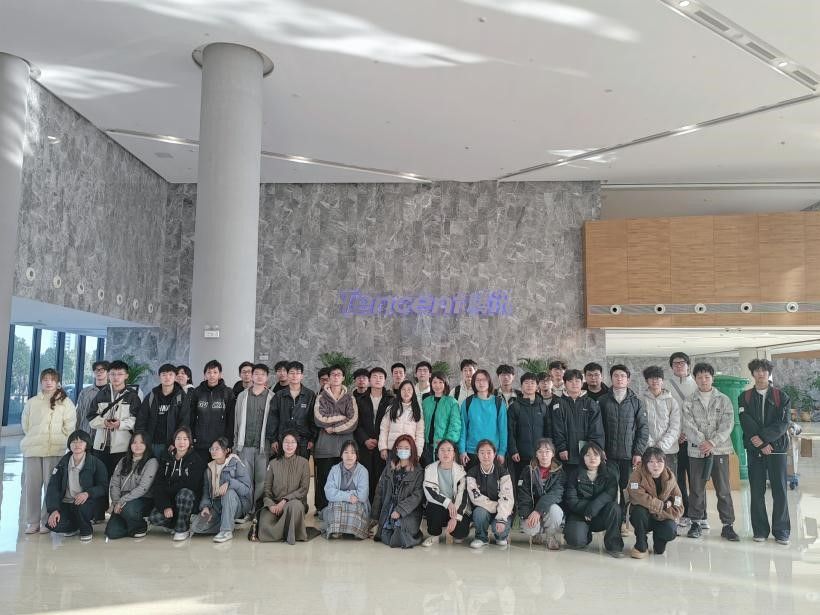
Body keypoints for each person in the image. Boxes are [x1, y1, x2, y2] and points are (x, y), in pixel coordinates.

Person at [681, 363, 738, 541]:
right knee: (696, 488)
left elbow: (728, 424)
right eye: (699, 377)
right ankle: (696, 523)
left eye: (707, 377)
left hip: (719, 450)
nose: (703, 380)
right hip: (697, 451)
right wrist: (702, 442)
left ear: (712, 378)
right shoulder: (689, 400)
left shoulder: (723, 399)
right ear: (695, 379)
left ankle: (728, 525)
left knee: (723, 489)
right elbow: (687, 424)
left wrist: (712, 442)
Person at [739, 358, 791, 545]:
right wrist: (761, 444)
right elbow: (745, 421)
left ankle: (782, 531)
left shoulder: (781, 396)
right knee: (756, 491)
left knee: (780, 490)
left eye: (764, 370)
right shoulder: (744, 397)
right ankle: (760, 530)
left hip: (777, 448)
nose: (760, 374)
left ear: (769, 373)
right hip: (755, 449)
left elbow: (783, 423)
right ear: (752, 373)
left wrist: (765, 440)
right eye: (757, 371)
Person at [21, 369, 76, 534]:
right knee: (32, 487)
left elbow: (70, 427)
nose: (48, 382)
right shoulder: (32, 402)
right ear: (41, 382)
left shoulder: (66, 403)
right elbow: (26, 425)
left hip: (54, 449)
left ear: (57, 382)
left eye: (52, 379)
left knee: (51, 487)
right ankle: (32, 522)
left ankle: (46, 521)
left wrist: (61, 440)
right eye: (45, 379)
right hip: (33, 449)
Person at [87, 359, 140, 520]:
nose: (116, 377)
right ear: (108, 375)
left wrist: (120, 424)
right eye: (113, 374)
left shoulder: (132, 396)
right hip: (101, 446)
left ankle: (120, 513)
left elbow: (137, 419)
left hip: (122, 447)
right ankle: (98, 514)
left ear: (126, 376)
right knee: (100, 480)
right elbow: (91, 418)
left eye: (119, 374)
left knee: (121, 481)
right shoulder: (100, 394)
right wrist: (103, 422)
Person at [597, 364, 648, 522]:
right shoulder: (602, 400)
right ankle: (612, 519)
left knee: (627, 489)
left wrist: (638, 452)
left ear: (628, 380)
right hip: (608, 455)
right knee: (610, 489)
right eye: (616, 376)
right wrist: (600, 449)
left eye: (623, 376)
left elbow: (643, 428)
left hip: (629, 456)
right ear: (611, 378)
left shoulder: (636, 402)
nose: (619, 379)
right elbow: (597, 428)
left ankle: (624, 519)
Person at [45, 430, 108, 541]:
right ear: (69, 445)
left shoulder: (96, 463)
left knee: (81, 508)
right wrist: (53, 510)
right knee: (54, 525)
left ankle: (86, 529)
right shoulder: (62, 463)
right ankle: (73, 527)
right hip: (66, 502)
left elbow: (103, 487)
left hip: (87, 502)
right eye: (74, 442)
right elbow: (53, 488)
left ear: (87, 444)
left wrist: (88, 494)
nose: (77, 445)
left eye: (81, 442)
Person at [563, 442, 624, 558]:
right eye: (588, 455)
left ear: (601, 457)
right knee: (575, 540)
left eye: (596, 455)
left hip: (601, 515)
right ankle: (585, 535)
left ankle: (614, 546)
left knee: (614, 508)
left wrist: (592, 508)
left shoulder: (609, 475)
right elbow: (571, 500)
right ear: (582, 458)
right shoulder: (574, 474)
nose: (592, 458)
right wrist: (587, 510)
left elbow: (610, 495)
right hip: (580, 514)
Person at [313, 366, 359, 514]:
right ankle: (322, 509)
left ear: (343, 378)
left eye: (339, 374)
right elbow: (319, 418)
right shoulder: (321, 397)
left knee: (344, 480)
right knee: (324, 478)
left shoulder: (350, 398)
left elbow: (353, 421)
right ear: (329, 377)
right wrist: (341, 417)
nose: (336, 376)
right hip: (325, 446)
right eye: (333, 374)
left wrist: (333, 428)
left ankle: (341, 510)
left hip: (345, 447)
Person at [148, 427, 206, 541]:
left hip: (187, 501)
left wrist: (169, 488)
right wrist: (166, 506)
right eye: (178, 438)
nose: (181, 442)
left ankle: (182, 529)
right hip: (170, 500)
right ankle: (175, 523)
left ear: (190, 441)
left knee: (184, 493)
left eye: (185, 439)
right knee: (154, 518)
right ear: (174, 441)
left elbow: (191, 485)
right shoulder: (166, 458)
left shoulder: (196, 459)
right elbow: (158, 485)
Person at [191, 437, 253, 543]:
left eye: (217, 449)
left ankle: (226, 531)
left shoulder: (236, 464)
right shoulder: (209, 469)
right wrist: (205, 507)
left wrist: (230, 483)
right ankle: (227, 522)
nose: (213, 451)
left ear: (226, 450)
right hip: (217, 505)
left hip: (236, 505)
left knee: (228, 493)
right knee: (196, 527)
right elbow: (206, 492)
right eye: (212, 449)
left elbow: (246, 489)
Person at [626, 446, 683, 558]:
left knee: (669, 533)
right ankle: (641, 544)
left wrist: (660, 510)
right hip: (645, 518)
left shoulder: (670, 478)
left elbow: (678, 504)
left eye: (659, 461)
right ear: (645, 463)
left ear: (664, 462)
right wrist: (663, 505)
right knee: (638, 511)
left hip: (662, 517)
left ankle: (659, 540)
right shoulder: (637, 474)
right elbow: (636, 494)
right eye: (651, 462)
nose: (655, 465)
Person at [257, 432, 311, 544]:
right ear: (281, 444)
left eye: (292, 442)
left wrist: (285, 500)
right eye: (286, 442)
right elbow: (267, 489)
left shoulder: (304, 463)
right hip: (275, 504)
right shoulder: (273, 463)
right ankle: (285, 531)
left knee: (294, 507)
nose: (289, 445)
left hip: (294, 503)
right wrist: (271, 505)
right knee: (264, 521)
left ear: (297, 445)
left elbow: (304, 489)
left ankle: (289, 534)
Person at [371, 435, 425, 548]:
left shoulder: (418, 471)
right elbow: (379, 491)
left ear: (412, 450)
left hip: (409, 511)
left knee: (401, 533)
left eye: (406, 448)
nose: (403, 450)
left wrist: (400, 510)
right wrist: (374, 517)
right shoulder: (389, 468)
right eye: (400, 448)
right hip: (389, 507)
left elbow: (417, 496)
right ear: (396, 450)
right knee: (386, 534)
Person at [105, 431, 158, 539]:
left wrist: (121, 501)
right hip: (121, 500)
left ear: (147, 445)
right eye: (134, 442)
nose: (137, 445)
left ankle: (141, 526)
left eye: (142, 443)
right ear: (130, 445)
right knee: (112, 533)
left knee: (128, 509)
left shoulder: (152, 462)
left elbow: (143, 488)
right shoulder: (123, 460)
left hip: (142, 499)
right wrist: (115, 502)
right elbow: (114, 483)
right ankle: (131, 526)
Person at [234, 363, 274, 504]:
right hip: (244, 445)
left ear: (267, 377)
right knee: (246, 479)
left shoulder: (272, 397)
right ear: (252, 376)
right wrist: (235, 445)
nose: (259, 376)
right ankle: (246, 508)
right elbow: (236, 422)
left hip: (263, 446)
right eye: (256, 373)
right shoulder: (242, 396)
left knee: (262, 480)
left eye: (263, 374)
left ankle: (256, 509)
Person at [518, 438, 565, 550]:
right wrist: (527, 515)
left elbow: (555, 494)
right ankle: (536, 533)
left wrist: (538, 511)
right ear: (536, 454)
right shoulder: (528, 470)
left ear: (553, 454)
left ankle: (550, 536)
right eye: (540, 452)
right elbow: (523, 495)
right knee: (531, 529)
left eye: (547, 451)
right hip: (531, 509)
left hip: (547, 509)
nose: (544, 455)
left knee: (556, 512)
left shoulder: (559, 472)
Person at [354, 367, 393, 502]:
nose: (378, 379)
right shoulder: (360, 400)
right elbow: (356, 424)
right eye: (375, 377)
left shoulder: (391, 399)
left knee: (382, 478)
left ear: (385, 381)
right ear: (369, 380)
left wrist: (380, 441)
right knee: (365, 477)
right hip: (364, 445)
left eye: (381, 377)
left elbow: (392, 424)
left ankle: (380, 508)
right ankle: (366, 506)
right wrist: (365, 440)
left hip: (383, 446)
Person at [466, 439, 514, 549]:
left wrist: (501, 516)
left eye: (489, 452)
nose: (486, 456)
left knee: (501, 536)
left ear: (494, 454)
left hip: (501, 509)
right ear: (477, 454)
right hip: (484, 509)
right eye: (482, 453)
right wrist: (496, 506)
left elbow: (507, 496)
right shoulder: (472, 473)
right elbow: (475, 498)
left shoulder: (503, 472)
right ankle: (481, 537)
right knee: (479, 512)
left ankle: (501, 536)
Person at [668, 351, 697, 528]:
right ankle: (683, 512)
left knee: (695, 479)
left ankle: (698, 514)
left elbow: (697, 414)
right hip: (674, 440)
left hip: (693, 439)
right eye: (675, 363)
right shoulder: (666, 386)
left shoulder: (696, 385)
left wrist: (686, 432)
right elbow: (667, 413)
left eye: (682, 363)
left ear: (688, 365)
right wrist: (676, 433)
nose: (679, 366)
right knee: (677, 478)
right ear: (671, 367)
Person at [554, 369, 604, 470]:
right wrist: (561, 448)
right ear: (565, 383)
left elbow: (596, 429)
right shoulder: (558, 404)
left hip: (588, 455)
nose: (574, 384)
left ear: (582, 383)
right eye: (570, 381)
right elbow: (557, 428)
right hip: (566, 454)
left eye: (577, 381)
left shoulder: (591, 403)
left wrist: (593, 450)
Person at [422, 439, 470, 546]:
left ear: (454, 454)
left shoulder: (461, 472)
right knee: (433, 507)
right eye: (442, 450)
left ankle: (455, 531)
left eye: (449, 450)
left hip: (456, 508)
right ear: (437, 453)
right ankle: (434, 535)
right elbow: (430, 493)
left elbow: (462, 496)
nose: (446, 453)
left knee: (460, 535)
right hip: (440, 506)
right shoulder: (430, 469)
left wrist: (455, 517)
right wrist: (448, 503)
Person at [187, 359, 236, 463]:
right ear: (204, 375)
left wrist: (229, 442)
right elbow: (191, 417)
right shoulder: (197, 392)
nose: (212, 375)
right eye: (209, 372)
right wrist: (191, 437)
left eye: (215, 372)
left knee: (217, 470)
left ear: (220, 374)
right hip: (200, 442)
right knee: (200, 469)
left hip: (220, 443)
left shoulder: (228, 393)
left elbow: (231, 420)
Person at [136, 363, 188, 459]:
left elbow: (184, 422)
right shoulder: (151, 396)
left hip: (170, 445)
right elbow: (141, 419)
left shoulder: (181, 397)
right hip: (151, 443)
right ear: (159, 377)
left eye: (170, 374)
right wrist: (141, 441)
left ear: (175, 377)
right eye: (164, 374)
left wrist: (176, 442)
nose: (167, 377)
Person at [267, 361, 317, 460]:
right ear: (287, 375)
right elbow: (273, 418)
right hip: (283, 440)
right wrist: (273, 439)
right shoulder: (279, 395)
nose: (294, 376)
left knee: (301, 467)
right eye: (292, 373)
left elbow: (313, 418)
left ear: (302, 376)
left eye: (298, 373)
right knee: (283, 468)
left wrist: (312, 439)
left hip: (303, 440)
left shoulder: (309, 395)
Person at [458, 369, 507, 469]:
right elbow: (463, 429)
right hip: (472, 452)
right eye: (478, 380)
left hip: (493, 452)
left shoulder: (498, 402)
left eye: (484, 380)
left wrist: (502, 451)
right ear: (474, 383)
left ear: (489, 382)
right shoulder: (467, 402)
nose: (481, 383)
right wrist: (462, 450)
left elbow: (503, 429)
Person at [507, 372, 550, 487]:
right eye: (526, 383)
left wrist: (548, 451)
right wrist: (513, 450)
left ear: (537, 386)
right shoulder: (515, 407)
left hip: (540, 455)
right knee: (521, 484)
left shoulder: (543, 407)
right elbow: (510, 431)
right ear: (521, 386)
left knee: (540, 484)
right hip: (520, 456)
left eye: (532, 383)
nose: (529, 385)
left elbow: (548, 431)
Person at [324, 440, 371, 539]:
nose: (349, 456)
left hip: (356, 503)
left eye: (353, 452)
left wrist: (339, 494)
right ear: (341, 455)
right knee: (336, 505)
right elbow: (329, 492)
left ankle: (352, 531)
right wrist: (348, 496)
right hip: (341, 502)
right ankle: (337, 531)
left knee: (355, 506)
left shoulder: (363, 471)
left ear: (357, 455)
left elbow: (363, 496)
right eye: (346, 452)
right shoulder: (334, 470)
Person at [641, 366, 681, 472]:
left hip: (668, 451)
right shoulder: (641, 401)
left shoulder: (671, 401)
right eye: (651, 378)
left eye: (658, 378)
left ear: (662, 380)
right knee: (648, 480)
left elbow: (675, 427)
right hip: (647, 450)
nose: (655, 381)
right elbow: (640, 425)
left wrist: (661, 445)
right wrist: (651, 445)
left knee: (669, 480)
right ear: (646, 381)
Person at [420, 372, 461, 467]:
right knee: (428, 472)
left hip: (444, 448)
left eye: (440, 382)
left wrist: (446, 442)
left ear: (445, 384)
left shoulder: (452, 402)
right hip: (426, 446)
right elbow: (421, 422)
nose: (437, 385)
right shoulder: (426, 402)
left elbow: (455, 426)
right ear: (431, 384)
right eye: (434, 382)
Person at [379, 380, 425, 461]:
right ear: (399, 391)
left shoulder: (417, 410)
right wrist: (383, 448)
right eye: (403, 389)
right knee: (391, 469)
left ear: (413, 392)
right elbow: (384, 429)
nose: (406, 392)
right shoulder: (391, 408)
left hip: (410, 451)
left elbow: (420, 433)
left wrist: (418, 453)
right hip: (392, 449)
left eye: (409, 389)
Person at [75, 360, 108, 435]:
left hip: (104, 434)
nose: (99, 372)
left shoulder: (112, 392)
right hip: (85, 431)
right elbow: (78, 412)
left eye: (102, 370)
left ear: (108, 372)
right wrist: (76, 431)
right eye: (96, 370)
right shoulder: (85, 392)